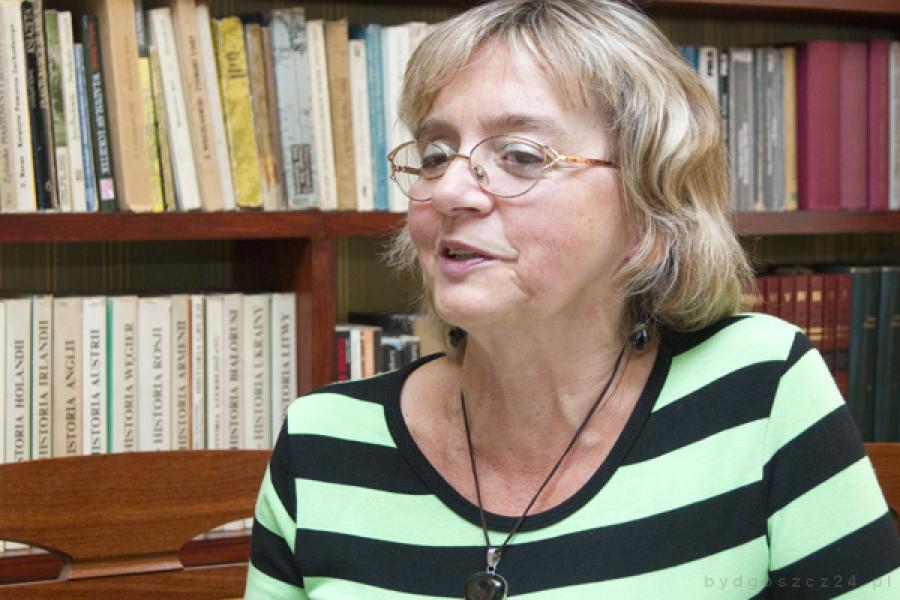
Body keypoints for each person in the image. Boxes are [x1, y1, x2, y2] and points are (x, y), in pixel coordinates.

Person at [244, 1, 900, 598]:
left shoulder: (758, 387)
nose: (448, 191)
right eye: (436, 153)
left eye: (521, 155)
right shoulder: (322, 442)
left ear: (648, 205)